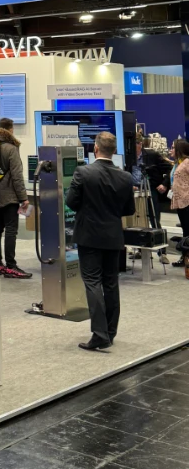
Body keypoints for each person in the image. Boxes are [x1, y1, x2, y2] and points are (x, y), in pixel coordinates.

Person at [65, 131, 135, 352]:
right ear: (114, 150)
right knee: (111, 283)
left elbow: (71, 202)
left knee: (92, 282)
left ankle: (99, 334)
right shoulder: (125, 177)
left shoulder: (83, 173)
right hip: (113, 236)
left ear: (95, 149)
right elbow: (129, 209)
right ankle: (110, 332)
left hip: (89, 235)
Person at [0, 117, 31, 278]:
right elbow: (17, 176)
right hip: (10, 194)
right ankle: (11, 266)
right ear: (11, 130)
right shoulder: (11, 148)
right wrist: (23, 198)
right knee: (11, 229)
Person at [170, 138, 189, 265]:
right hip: (180, 202)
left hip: (187, 201)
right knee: (185, 230)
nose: (170, 150)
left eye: (173, 147)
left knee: (188, 231)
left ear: (179, 150)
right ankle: (185, 257)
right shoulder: (178, 163)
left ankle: (186, 258)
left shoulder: (187, 163)